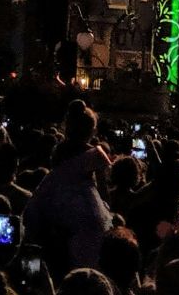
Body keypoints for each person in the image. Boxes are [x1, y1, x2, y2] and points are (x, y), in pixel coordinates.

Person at [24, 101, 114, 274]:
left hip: (54, 220)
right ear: (92, 131)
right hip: (86, 228)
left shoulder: (57, 158)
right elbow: (106, 195)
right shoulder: (96, 155)